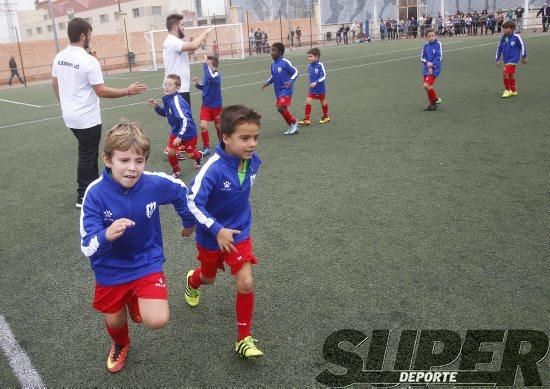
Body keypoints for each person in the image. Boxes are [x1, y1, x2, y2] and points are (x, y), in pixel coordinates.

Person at [79, 121, 195, 373]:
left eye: (139, 161)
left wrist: (188, 222)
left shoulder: (153, 183)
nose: (132, 168)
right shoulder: (95, 194)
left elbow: (180, 191)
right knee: (114, 318)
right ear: (107, 160)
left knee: (158, 319)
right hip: (110, 269)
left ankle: (138, 297)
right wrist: (106, 235)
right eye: (124, 160)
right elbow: (87, 245)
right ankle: (121, 343)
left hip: (146, 261)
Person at [184, 104, 264, 359]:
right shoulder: (213, 169)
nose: (252, 144)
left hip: (239, 234)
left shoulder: (253, 162)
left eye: (255, 138)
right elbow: (192, 201)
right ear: (226, 138)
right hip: (210, 237)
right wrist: (217, 229)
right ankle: (192, 281)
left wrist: (237, 224)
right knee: (208, 279)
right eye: (245, 138)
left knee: (246, 282)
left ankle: (243, 338)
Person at [51, 18, 146, 208]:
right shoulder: (88, 60)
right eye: (90, 34)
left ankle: (92, 187)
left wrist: (64, 104)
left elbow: (54, 83)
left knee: (89, 152)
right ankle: (83, 196)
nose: (91, 38)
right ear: (83, 35)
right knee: (87, 154)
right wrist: (127, 91)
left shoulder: (59, 56)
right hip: (86, 118)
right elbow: (101, 91)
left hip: (70, 116)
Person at [148, 74, 203, 176]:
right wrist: (156, 107)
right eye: (165, 84)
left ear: (177, 87)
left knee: (190, 154)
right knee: (170, 152)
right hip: (176, 131)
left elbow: (185, 119)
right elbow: (166, 113)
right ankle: (176, 171)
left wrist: (180, 136)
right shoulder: (168, 99)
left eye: (169, 84)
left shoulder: (177, 102)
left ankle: (199, 156)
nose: (166, 87)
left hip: (188, 132)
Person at [163, 14, 212, 107]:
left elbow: (190, 50)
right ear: (175, 27)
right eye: (182, 25)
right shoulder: (173, 41)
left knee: (180, 120)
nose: (184, 28)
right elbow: (193, 46)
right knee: (185, 120)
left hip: (177, 89)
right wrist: (205, 33)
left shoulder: (173, 41)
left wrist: (202, 41)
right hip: (178, 90)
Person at [261, 42, 299, 135]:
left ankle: (294, 122)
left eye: (274, 50)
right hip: (278, 91)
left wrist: (291, 81)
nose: (271, 52)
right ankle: (291, 126)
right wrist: (268, 82)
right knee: (281, 109)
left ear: (280, 52)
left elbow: (296, 72)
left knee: (280, 107)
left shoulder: (285, 62)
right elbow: (273, 76)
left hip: (286, 89)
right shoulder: (273, 64)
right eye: (271, 50)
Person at [193, 54, 222, 156]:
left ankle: (222, 143)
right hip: (206, 106)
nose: (206, 66)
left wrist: (204, 64)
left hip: (216, 106)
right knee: (203, 126)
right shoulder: (207, 76)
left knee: (218, 127)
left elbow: (210, 76)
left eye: (208, 65)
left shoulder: (216, 76)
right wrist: (197, 84)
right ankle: (206, 147)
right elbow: (205, 87)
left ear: (214, 67)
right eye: (206, 65)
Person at [298, 48, 330, 126]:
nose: (309, 58)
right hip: (312, 88)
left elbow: (324, 76)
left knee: (323, 102)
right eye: (308, 56)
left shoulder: (320, 65)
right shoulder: (309, 66)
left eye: (311, 56)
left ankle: (326, 116)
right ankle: (307, 119)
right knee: (308, 101)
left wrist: (316, 82)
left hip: (320, 88)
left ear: (317, 57)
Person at [496, 20, 527, 98]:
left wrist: (524, 56)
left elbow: (522, 46)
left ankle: (507, 90)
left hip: (513, 59)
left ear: (512, 28)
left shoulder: (516, 37)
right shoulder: (503, 38)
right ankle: (513, 90)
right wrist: (497, 59)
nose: (504, 30)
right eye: (504, 28)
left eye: (506, 28)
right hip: (506, 59)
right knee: (510, 75)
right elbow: (499, 48)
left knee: (505, 74)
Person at [421, 28, 443, 111]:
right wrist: (427, 63)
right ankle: (432, 104)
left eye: (432, 35)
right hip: (426, 69)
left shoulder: (438, 44)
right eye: (429, 36)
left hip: (435, 69)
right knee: (429, 87)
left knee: (426, 85)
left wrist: (432, 66)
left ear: (435, 35)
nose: (431, 37)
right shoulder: (426, 45)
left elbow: (439, 57)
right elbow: (422, 57)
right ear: (426, 37)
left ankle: (436, 99)